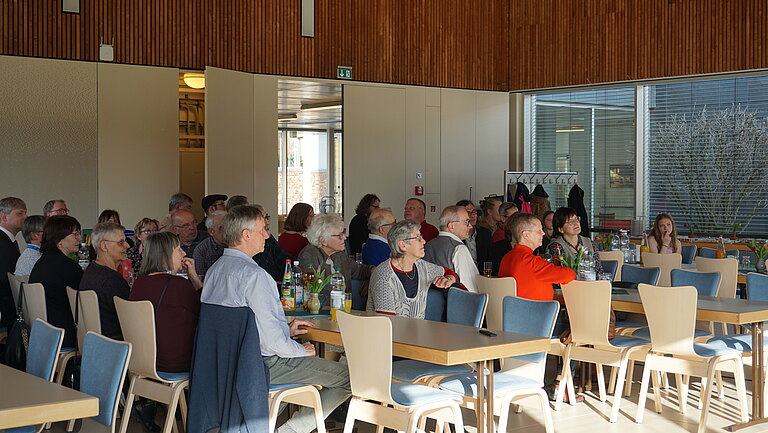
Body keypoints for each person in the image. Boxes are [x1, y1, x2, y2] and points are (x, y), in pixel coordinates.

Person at [202, 205, 351, 433]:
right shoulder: (255, 276)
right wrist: (301, 351)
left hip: (225, 365)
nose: (267, 236)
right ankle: (290, 430)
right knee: (354, 377)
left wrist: (286, 331)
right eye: (263, 230)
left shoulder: (215, 271)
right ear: (246, 234)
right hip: (260, 366)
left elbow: (242, 327)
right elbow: (270, 343)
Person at [130, 231, 202, 372]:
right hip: (173, 363)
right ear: (165, 254)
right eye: (178, 249)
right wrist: (195, 279)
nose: (183, 254)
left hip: (142, 361)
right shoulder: (178, 285)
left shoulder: (138, 284)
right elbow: (205, 311)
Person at [368, 220, 457, 318]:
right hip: (389, 331)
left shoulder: (421, 266)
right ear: (402, 245)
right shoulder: (384, 276)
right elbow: (386, 323)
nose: (424, 241)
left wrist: (448, 279)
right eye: (418, 238)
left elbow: (448, 272)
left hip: (417, 331)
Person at [29, 215, 83, 348]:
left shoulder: (41, 263)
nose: (80, 239)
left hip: (43, 332)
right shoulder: (69, 267)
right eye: (75, 234)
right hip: (64, 334)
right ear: (59, 240)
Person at [498, 212, 575, 302]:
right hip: (534, 313)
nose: (543, 233)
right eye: (539, 230)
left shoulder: (507, 257)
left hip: (510, 312)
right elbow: (569, 275)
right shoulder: (530, 262)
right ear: (526, 235)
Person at [298, 213, 373, 298]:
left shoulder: (339, 254)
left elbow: (358, 270)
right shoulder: (309, 255)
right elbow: (315, 290)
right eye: (339, 235)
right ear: (323, 240)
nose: (344, 238)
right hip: (323, 309)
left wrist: (374, 270)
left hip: (343, 308)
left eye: (343, 233)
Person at [80, 222, 132, 340]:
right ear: (104, 246)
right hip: (115, 345)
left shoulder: (91, 271)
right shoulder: (112, 280)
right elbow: (130, 322)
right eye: (121, 242)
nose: (127, 246)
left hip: (95, 342)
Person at [423, 205, 479, 292]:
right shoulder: (459, 248)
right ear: (451, 225)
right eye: (466, 221)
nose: (470, 226)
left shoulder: (428, 245)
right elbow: (471, 287)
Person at [546, 207, 604, 277]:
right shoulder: (556, 246)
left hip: (591, 284)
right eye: (570, 221)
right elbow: (561, 273)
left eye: (576, 219)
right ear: (561, 229)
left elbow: (599, 270)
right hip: (569, 286)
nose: (576, 223)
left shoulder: (589, 242)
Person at [0, 197, 27, 330]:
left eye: (25, 213)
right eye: (20, 213)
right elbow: (6, 278)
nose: (25, 217)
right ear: (4, 217)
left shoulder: (7, 241)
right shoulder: (3, 243)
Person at [252, 204, 296, 281]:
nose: (267, 223)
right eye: (263, 218)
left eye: (267, 218)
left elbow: (284, 259)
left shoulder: (268, 239)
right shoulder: (247, 246)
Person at [456, 199, 492, 272]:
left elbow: (489, 259)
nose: (472, 215)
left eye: (474, 212)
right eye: (468, 213)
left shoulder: (485, 233)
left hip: (481, 276)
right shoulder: (456, 236)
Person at [193, 210, 226, 281]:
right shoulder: (202, 250)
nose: (227, 231)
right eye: (222, 228)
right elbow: (200, 280)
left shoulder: (237, 244)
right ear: (211, 231)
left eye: (229, 226)